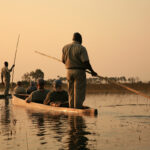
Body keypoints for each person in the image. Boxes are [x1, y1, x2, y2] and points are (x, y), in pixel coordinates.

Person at [62, 32, 97, 108]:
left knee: (71, 92)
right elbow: (86, 62)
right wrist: (92, 71)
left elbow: (63, 61)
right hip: (79, 72)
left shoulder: (65, 47)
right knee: (79, 92)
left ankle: (71, 108)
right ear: (80, 39)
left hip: (68, 71)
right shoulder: (81, 48)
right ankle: (77, 108)